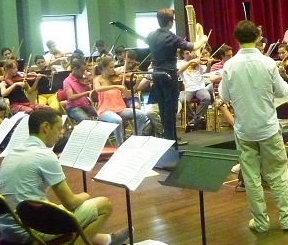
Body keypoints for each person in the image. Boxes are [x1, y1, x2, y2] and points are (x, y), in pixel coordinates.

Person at [219, 20, 288, 232]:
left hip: (244, 128)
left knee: (251, 177)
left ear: (237, 39)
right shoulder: (268, 63)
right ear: (258, 38)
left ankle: (260, 222)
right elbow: (280, 92)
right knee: (277, 173)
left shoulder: (229, 65)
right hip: (267, 127)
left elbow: (223, 96)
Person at [0, 108, 127, 245]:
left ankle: (106, 240)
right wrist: (85, 196)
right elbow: (70, 203)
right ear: (45, 127)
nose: (60, 135)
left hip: (7, 228)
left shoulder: (13, 152)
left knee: (61, 211)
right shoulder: (44, 155)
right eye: (58, 129)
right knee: (104, 204)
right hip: (30, 229)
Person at [145, 7, 208, 142]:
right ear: (170, 23)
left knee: (162, 106)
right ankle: (170, 136)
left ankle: (167, 135)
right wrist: (203, 38)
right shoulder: (171, 37)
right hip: (169, 75)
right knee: (171, 107)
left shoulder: (150, 35)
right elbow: (194, 46)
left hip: (156, 74)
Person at [93, 55, 151, 143]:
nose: (114, 69)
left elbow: (128, 96)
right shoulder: (98, 79)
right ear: (104, 68)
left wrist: (132, 85)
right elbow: (97, 89)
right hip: (105, 110)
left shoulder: (118, 79)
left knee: (141, 115)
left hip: (119, 108)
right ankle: (120, 144)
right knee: (117, 119)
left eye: (114, 67)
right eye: (111, 67)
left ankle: (135, 138)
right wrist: (115, 86)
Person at [180, 49, 219, 131]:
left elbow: (206, 73)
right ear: (183, 55)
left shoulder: (199, 64)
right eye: (187, 53)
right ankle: (194, 120)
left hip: (200, 87)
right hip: (188, 88)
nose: (189, 54)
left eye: (190, 52)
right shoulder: (181, 63)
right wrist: (190, 62)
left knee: (207, 98)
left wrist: (208, 64)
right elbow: (179, 70)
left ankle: (194, 121)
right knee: (183, 100)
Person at [61, 58, 98, 123]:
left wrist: (90, 82)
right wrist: (85, 93)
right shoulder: (67, 81)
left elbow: (92, 94)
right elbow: (71, 97)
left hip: (85, 106)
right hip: (73, 108)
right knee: (85, 120)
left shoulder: (83, 79)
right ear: (75, 69)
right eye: (82, 71)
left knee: (101, 114)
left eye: (85, 70)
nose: (84, 72)